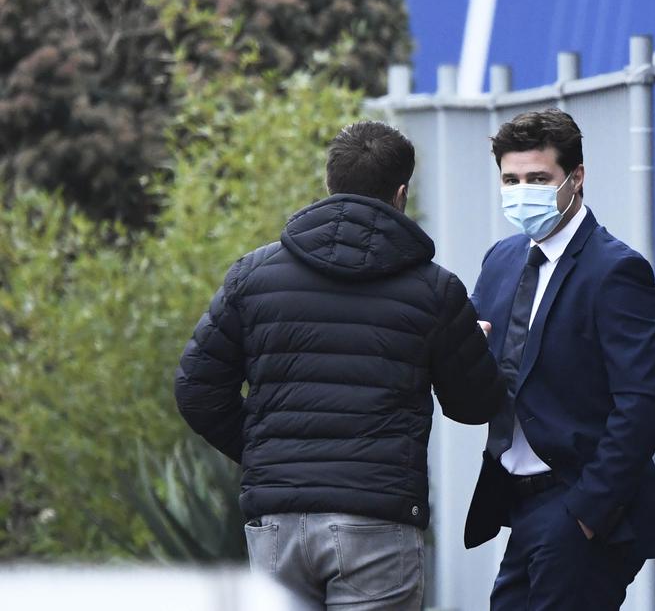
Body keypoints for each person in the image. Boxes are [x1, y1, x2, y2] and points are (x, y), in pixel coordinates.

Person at [174, 120, 502, 609]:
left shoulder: (253, 275)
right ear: (401, 193)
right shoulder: (435, 291)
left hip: (277, 525)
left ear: (328, 185)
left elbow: (196, 390)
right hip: (377, 523)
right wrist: (475, 346)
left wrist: (275, 454)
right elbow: (474, 404)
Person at [463, 108, 655, 611]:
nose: (521, 191)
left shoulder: (616, 269)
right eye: (510, 180)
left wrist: (588, 510)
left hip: (578, 502)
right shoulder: (502, 259)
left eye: (538, 178)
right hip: (519, 500)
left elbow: (643, 403)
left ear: (575, 178)